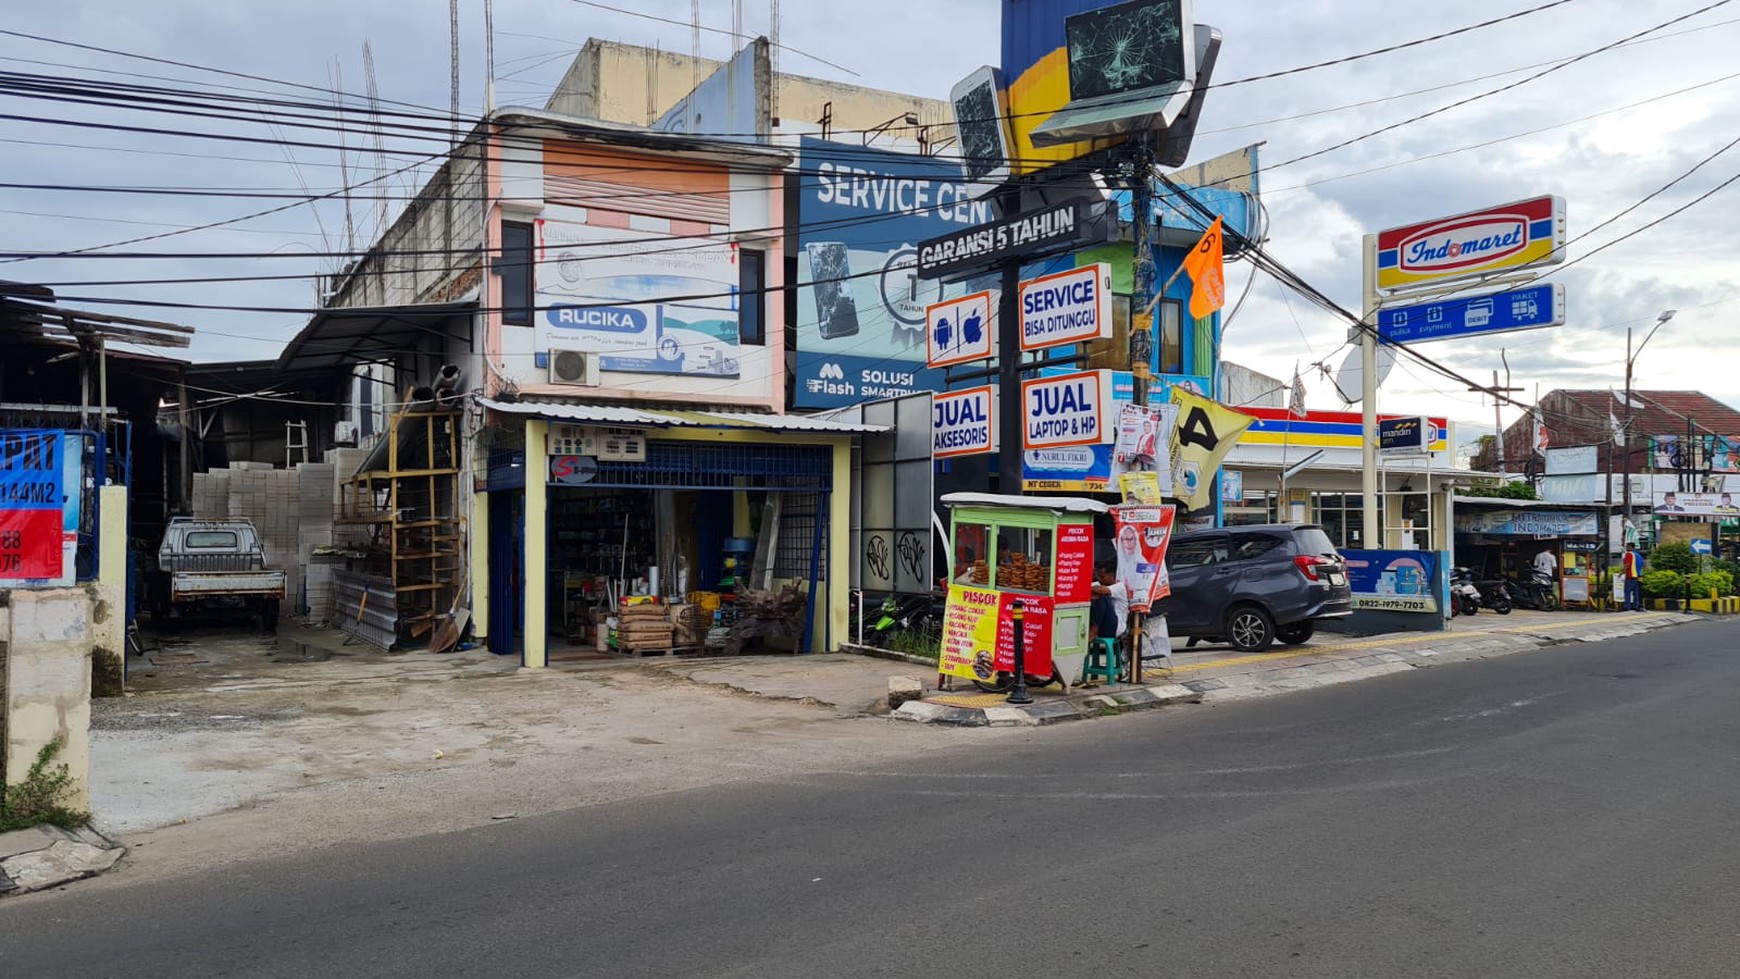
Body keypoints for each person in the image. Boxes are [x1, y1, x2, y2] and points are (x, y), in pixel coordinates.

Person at [1089, 561, 1129, 643]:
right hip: (1104, 626)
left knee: (1101, 596)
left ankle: (1094, 629)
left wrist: (1088, 590)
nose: (1099, 579)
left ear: (1112, 575)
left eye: (1102, 577)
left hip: (1115, 628)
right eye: (1098, 577)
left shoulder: (1120, 587)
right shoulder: (1099, 584)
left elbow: (1102, 591)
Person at [1621, 544, 1644, 611]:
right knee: (1636, 592)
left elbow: (1627, 564)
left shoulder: (1629, 554)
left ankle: (1627, 606)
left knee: (1627, 591)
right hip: (1639, 576)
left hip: (1630, 576)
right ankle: (1635, 606)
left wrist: (1622, 572)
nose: (1626, 548)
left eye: (1627, 547)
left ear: (1631, 547)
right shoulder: (1638, 555)